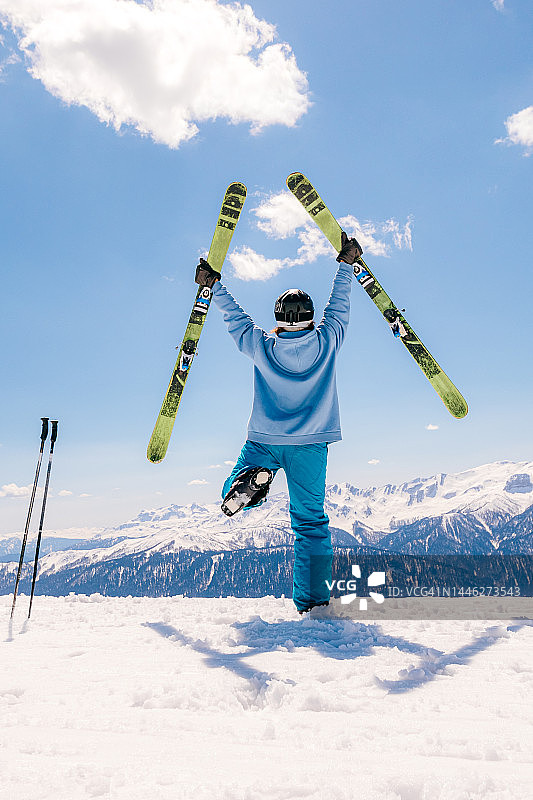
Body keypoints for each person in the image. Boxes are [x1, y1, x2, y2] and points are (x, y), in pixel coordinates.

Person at [195, 232, 362, 613]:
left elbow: (237, 320)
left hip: (265, 440)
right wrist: (345, 264)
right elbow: (340, 306)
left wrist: (214, 287)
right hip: (310, 445)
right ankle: (313, 603)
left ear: (278, 319)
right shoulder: (328, 341)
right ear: (310, 317)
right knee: (310, 525)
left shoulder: (263, 346)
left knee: (231, 491)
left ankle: (247, 487)